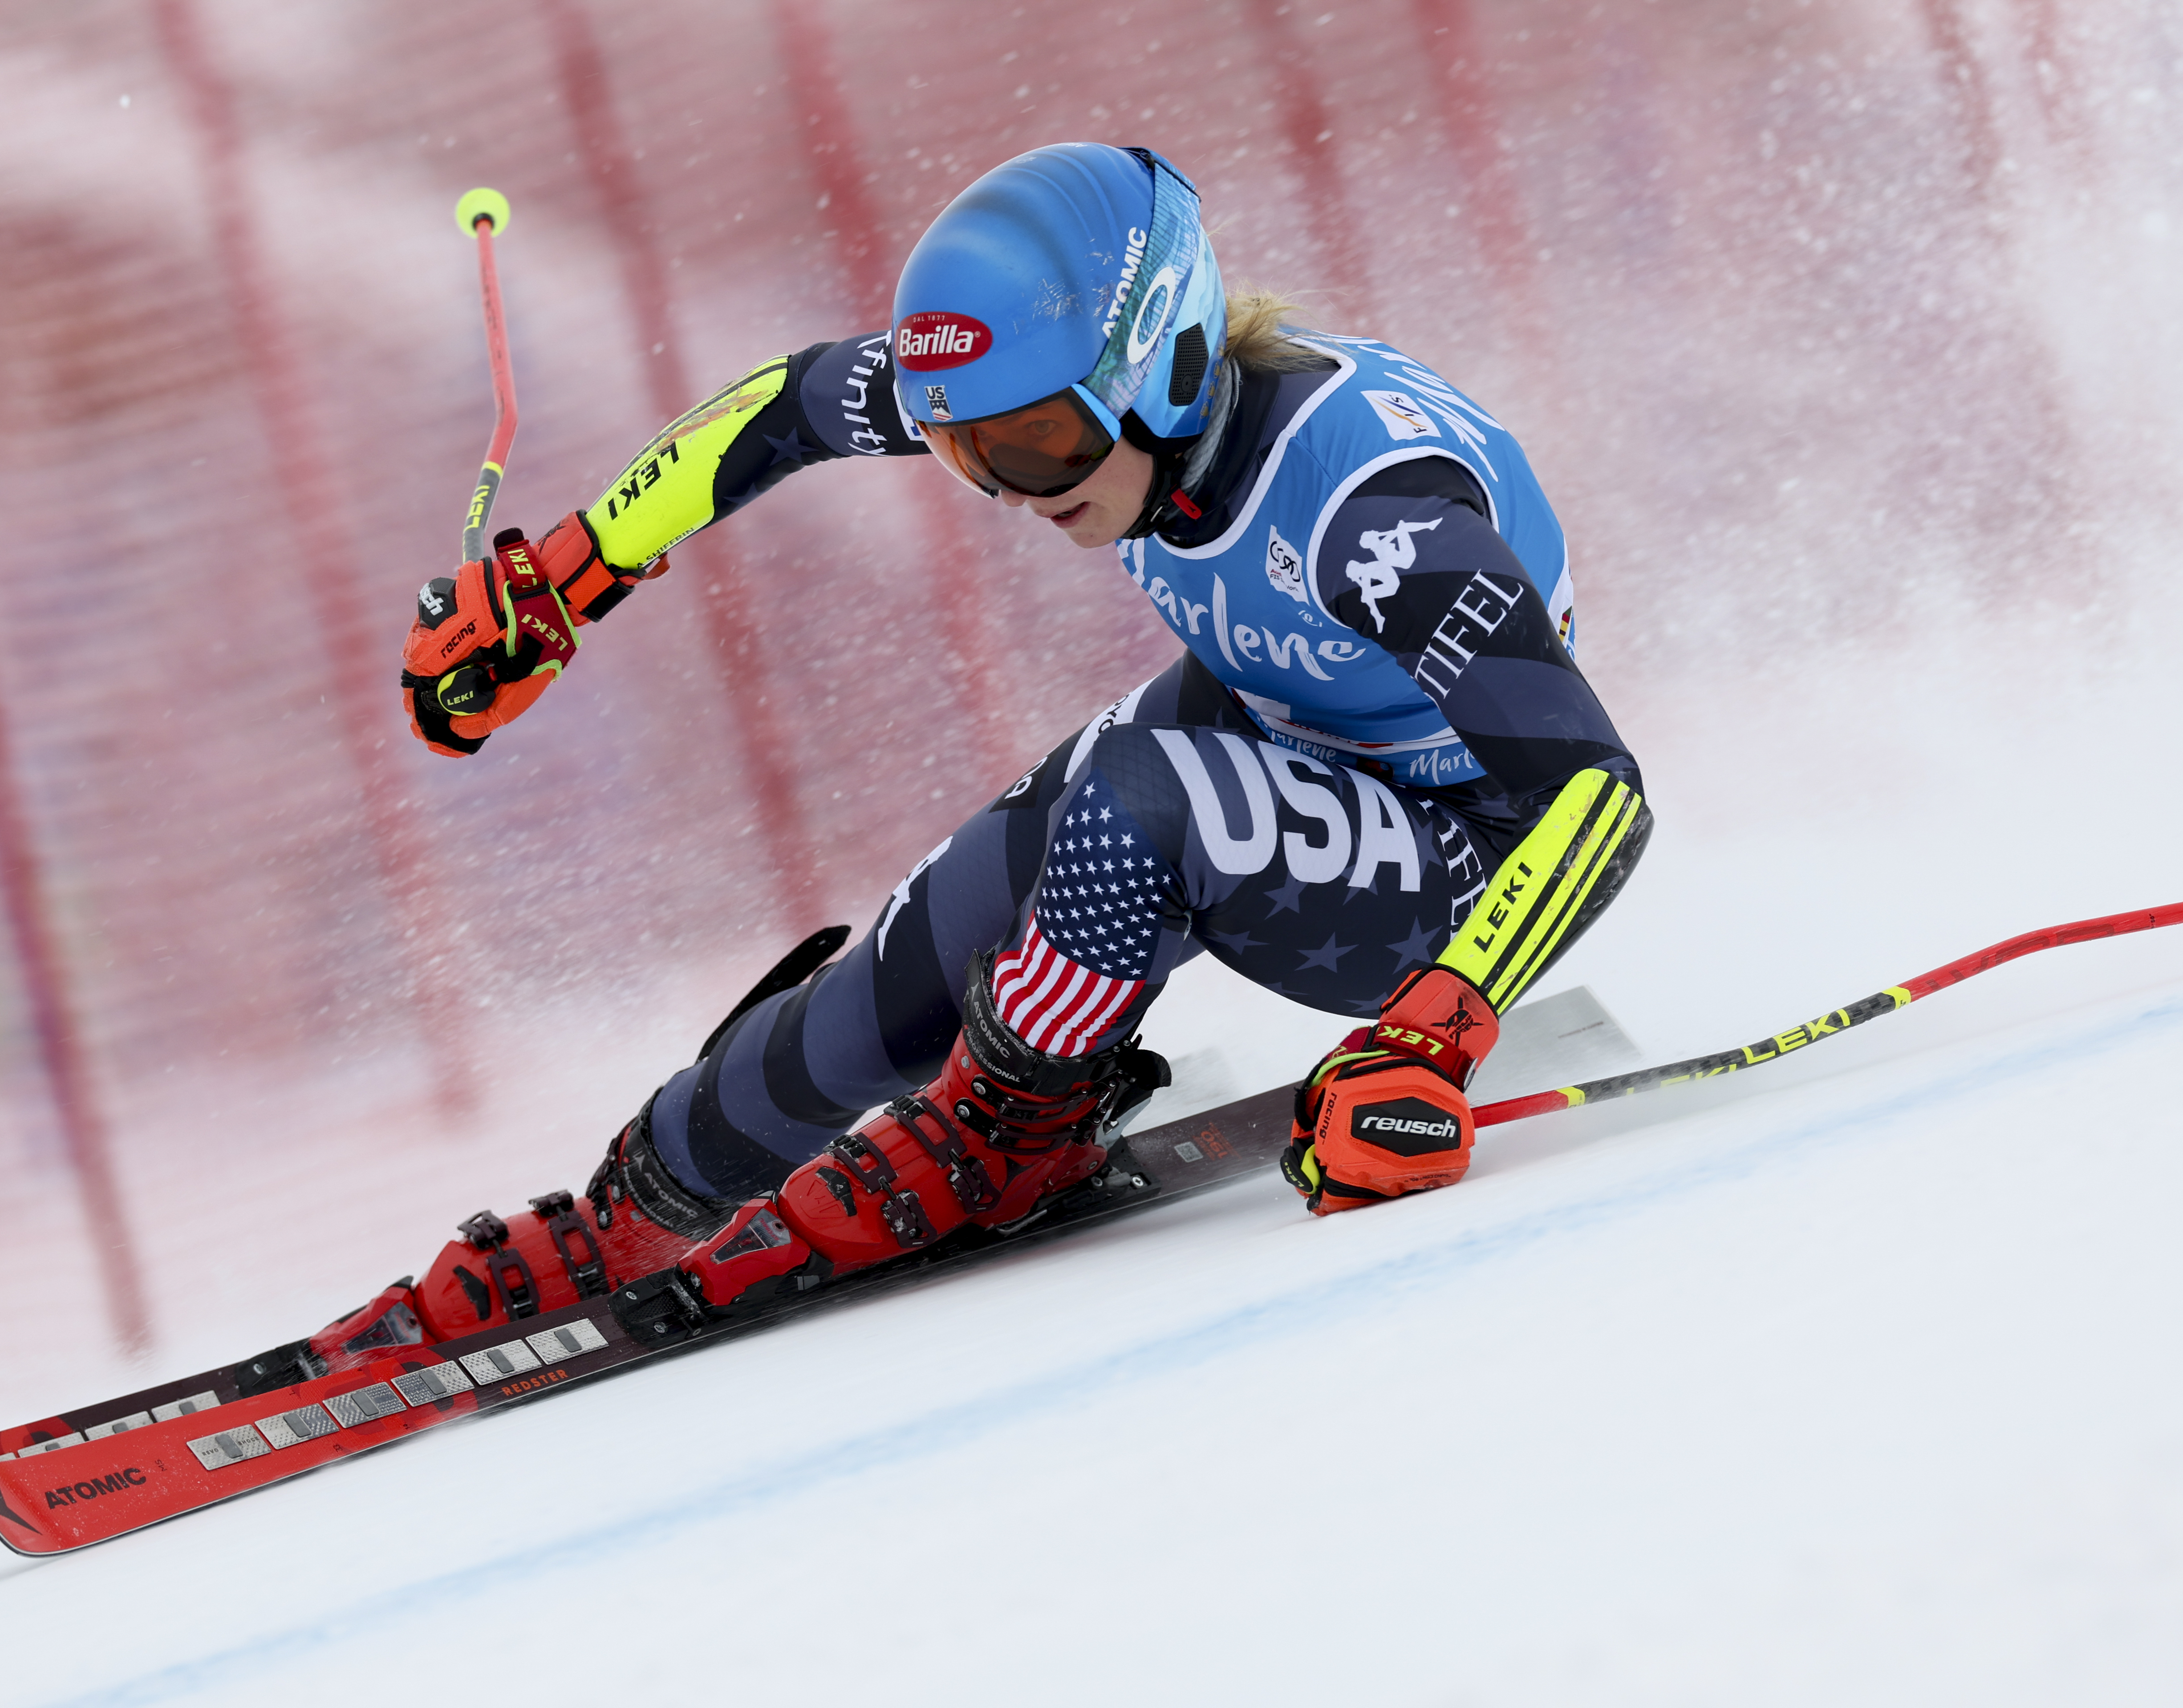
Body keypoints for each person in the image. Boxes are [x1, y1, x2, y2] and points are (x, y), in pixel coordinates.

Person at [316, 142, 1647, 1366]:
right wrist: (568, 577)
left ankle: (1007, 1136)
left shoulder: (1374, 515)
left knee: (1139, 802)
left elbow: (1594, 797)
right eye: (960, 451)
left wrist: (1431, 1040)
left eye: (1032, 444)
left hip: (1455, 855)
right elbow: (785, 408)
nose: (1009, 487)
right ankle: (635, 1216)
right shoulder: (1072, 400)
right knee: (919, 953)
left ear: (1168, 362)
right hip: (1274, 729)